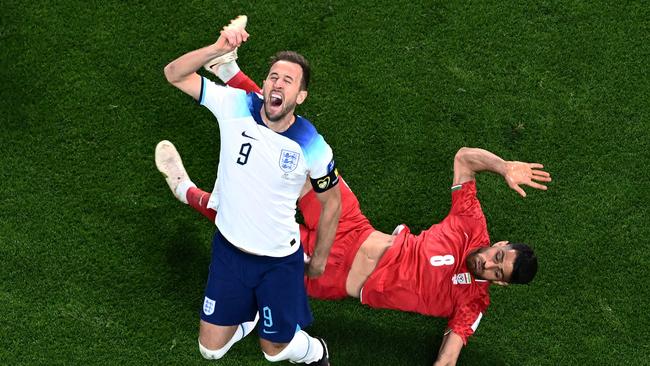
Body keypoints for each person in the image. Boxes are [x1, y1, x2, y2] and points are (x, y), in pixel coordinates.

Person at [156, 141, 551, 366]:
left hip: (329, 274)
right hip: (352, 228)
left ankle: (186, 191)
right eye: (499, 258)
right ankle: (232, 76)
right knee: (304, 156)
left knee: (247, 226)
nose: (489, 265)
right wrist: (503, 167)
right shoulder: (471, 224)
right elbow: (464, 158)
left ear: (501, 284)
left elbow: (448, 357)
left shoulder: (472, 302)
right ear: (501, 244)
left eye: (498, 274)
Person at [162, 15, 342, 365]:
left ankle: (315, 351)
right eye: (274, 76)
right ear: (264, 83)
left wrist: (319, 257)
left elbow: (331, 201)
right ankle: (254, 315)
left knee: (274, 353)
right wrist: (217, 49)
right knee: (210, 350)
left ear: (300, 96)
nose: (278, 83)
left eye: (288, 81)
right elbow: (174, 74)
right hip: (229, 252)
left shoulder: (312, 145)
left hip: (278, 262)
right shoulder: (235, 105)